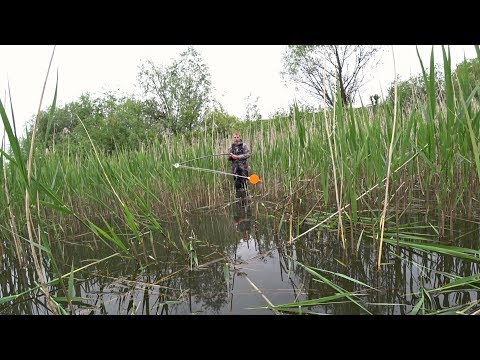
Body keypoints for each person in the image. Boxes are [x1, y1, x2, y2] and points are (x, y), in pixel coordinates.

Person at [228, 132, 251, 198]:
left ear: (240, 137)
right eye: (235, 137)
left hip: (243, 168)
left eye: (237, 137)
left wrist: (237, 157)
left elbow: (248, 154)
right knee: (237, 184)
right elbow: (228, 158)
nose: (236, 139)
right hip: (235, 169)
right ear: (233, 138)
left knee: (244, 184)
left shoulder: (244, 145)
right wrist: (231, 156)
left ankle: (246, 199)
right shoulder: (231, 147)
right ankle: (238, 200)